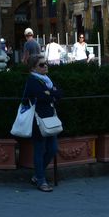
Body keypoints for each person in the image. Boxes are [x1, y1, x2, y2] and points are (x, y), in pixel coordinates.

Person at [23, 54, 62, 192]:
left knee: (53, 148)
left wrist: (49, 93)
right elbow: (41, 96)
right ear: (33, 68)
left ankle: (37, 175)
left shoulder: (48, 80)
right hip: (37, 119)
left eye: (45, 64)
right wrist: (51, 94)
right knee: (39, 150)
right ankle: (41, 180)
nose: (45, 66)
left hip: (50, 119)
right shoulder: (32, 80)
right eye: (41, 64)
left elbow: (59, 93)